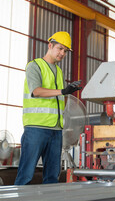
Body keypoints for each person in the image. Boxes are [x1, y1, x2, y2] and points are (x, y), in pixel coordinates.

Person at [14, 31, 82, 185]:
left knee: (52, 177)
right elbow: (36, 91)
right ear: (50, 45)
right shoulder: (34, 66)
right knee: (26, 175)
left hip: (56, 129)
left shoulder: (58, 71)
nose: (63, 53)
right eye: (60, 48)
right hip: (36, 128)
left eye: (65, 51)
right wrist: (64, 91)